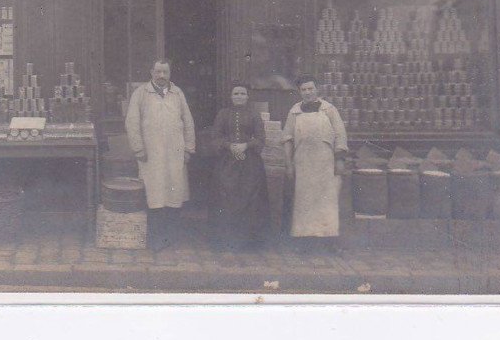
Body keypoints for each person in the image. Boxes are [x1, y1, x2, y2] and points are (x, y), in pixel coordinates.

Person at [125, 60, 195, 249]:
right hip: (151, 154)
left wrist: (189, 148)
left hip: (175, 153)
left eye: (165, 72)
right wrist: (138, 148)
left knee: (174, 192)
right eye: (158, 72)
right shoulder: (140, 94)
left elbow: (188, 122)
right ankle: (155, 239)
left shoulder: (177, 93)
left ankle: (170, 237)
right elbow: (132, 123)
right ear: (151, 72)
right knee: (154, 194)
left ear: (170, 73)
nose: (161, 76)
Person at [282, 75, 348, 243]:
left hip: (325, 163)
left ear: (317, 90)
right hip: (303, 163)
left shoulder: (329, 109)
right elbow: (287, 138)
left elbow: (340, 135)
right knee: (304, 202)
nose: (307, 92)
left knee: (326, 201)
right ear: (299, 92)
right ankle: (305, 240)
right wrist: (289, 164)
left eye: (310, 89)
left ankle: (328, 239)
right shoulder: (294, 111)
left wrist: (339, 160)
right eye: (303, 90)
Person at [208, 83, 269, 251]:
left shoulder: (254, 114)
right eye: (236, 93)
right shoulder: (223, 114)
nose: (239, 96)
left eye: (242, 93)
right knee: (226, 199)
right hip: (226, 162)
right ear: (231, 96)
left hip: (250, 164)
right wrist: (228, 146)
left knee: (250, 199)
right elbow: (215, 137)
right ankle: (226, 241)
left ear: (247, 96)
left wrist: (246, 145)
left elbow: (261, 138)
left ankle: (248, 243)